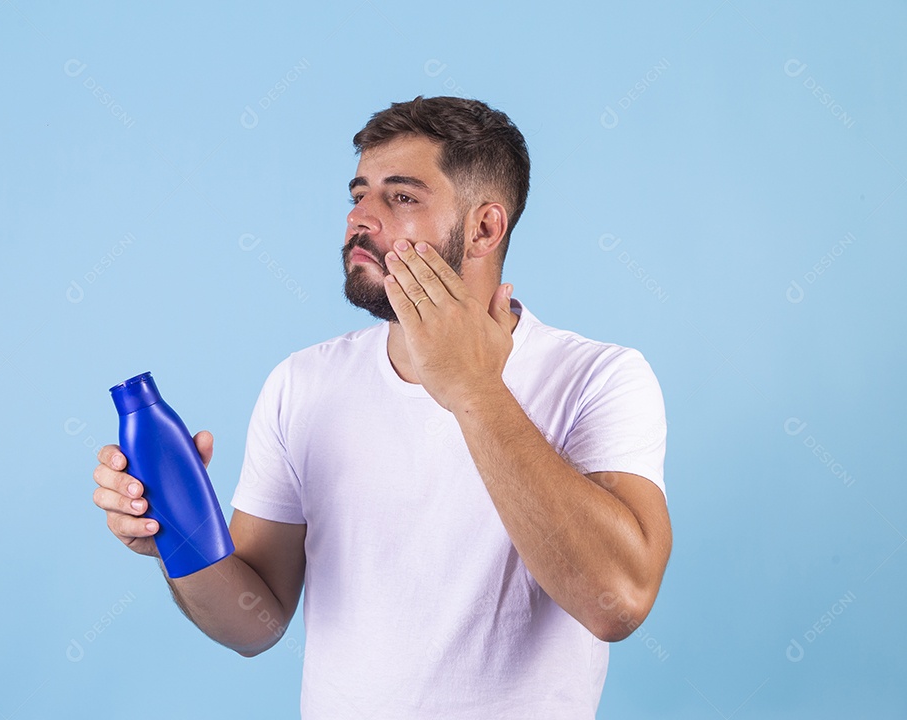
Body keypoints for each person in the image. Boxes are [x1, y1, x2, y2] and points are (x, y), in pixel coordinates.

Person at [92, 96, 672, 718]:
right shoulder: (303, 383)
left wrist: (473, 390)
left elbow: (617, 604)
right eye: (358, 193)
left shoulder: (598, 378)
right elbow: (254, 626)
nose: (360, 218)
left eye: (401, 197)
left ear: (483, 228)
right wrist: (178, 539)